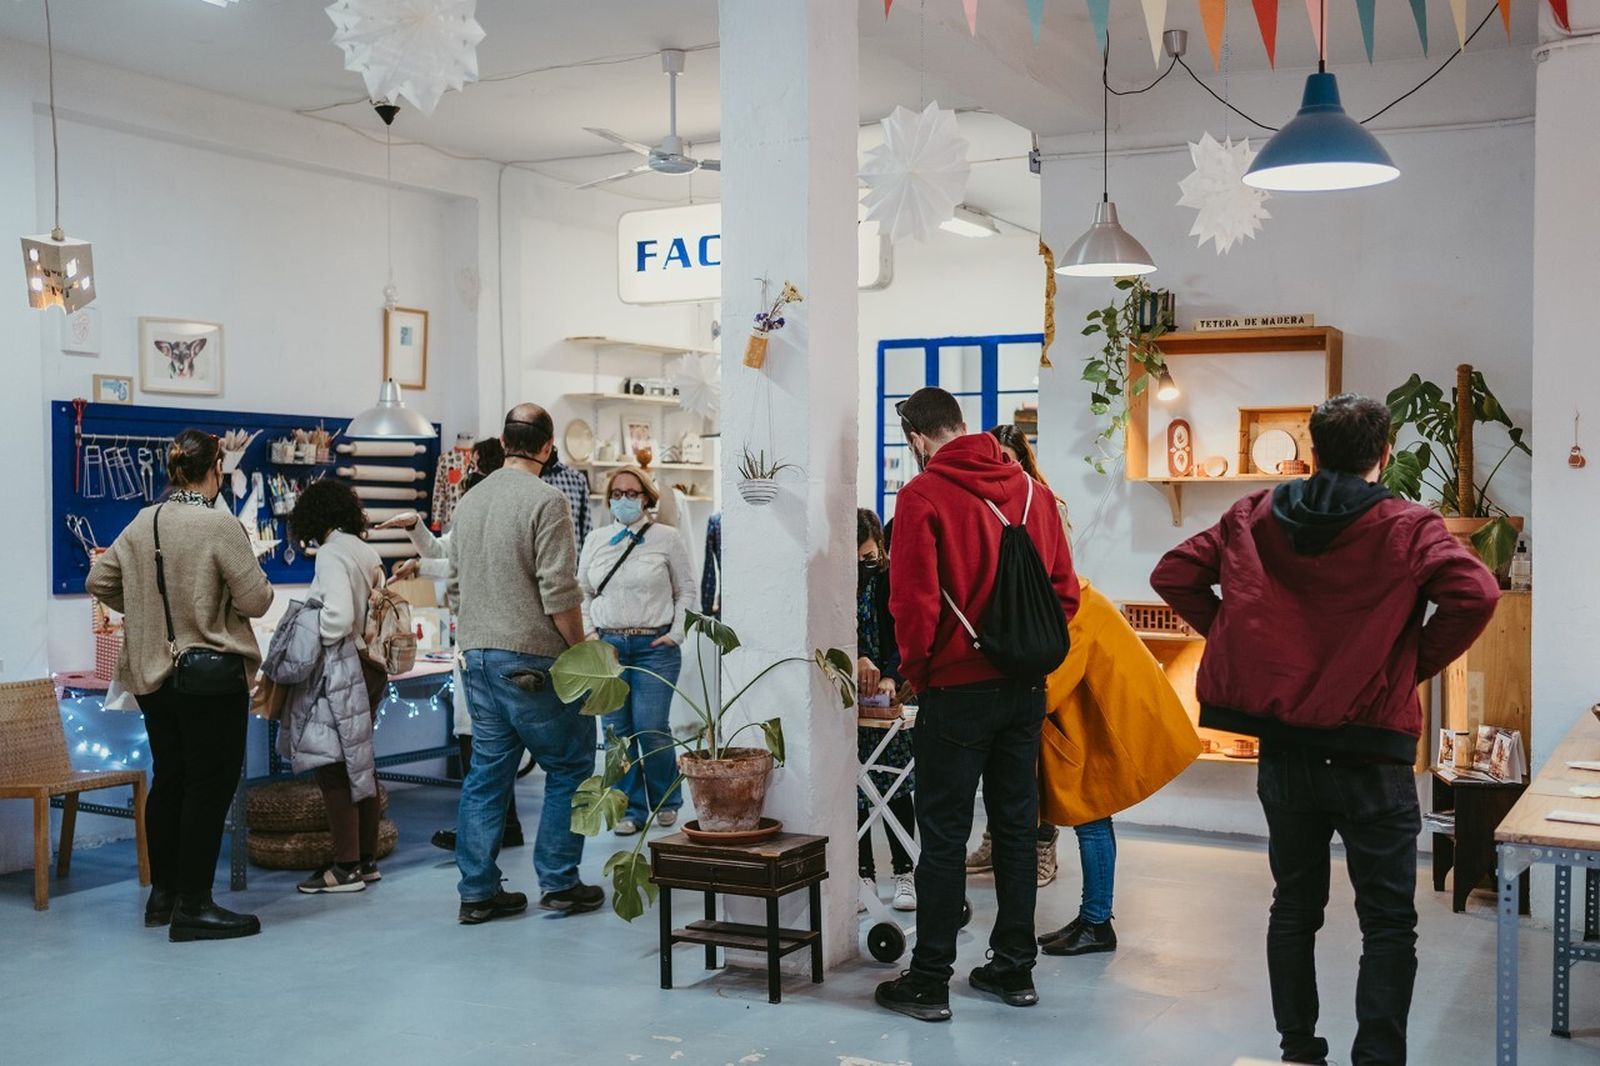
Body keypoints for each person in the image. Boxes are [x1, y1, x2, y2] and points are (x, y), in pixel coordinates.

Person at [1151, 393, 1500, 1066]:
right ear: (1386, 455)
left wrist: (1242, 640)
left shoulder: (1255, 513)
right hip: (1373, 753)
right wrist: (1406, 666)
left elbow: (1175, 574)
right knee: (1389, 922)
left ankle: (1299, 1051)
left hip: (1288, 752)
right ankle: (1377, 1058)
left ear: (1311, 454)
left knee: (1294, 907)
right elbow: (1477, 594)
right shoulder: (1408, 524)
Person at [877, 387, 1079, 1022]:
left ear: (916, 439)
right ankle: (1014, 971)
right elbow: (1064, 594)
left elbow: (913, 605)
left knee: (942, 836)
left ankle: (930, 979)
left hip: (956, 692)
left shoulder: (922, 496)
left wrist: (918, 673)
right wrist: (1022, 651)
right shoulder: (1032, 492)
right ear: (961, 426)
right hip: (1025, 689)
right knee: (1017, 830)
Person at [86, 429, 272, 941]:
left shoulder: (144, 521)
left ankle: (163, 896)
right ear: (215, 468)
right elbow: (257, 601)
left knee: (169, 778)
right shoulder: (220, 524)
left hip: (152, 676)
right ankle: (195, 903)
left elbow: (98, 583)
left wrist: (145, 611)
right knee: (208, 788)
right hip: (210, 678)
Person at [449, 404, 603, 923]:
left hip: (476, 657)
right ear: (547, 447)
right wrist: (581, 651)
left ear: (503, 440)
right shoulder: (549, 500)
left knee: (487, 774)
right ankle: (560, 882)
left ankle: (477, 893)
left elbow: (454, 585)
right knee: (571, 765)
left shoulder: (469, 502)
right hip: (532, 660)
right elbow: (559, 591)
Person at [1033, 582, 1200, 957]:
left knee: (1092, 821)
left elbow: (1049, 687)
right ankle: (1093, 917)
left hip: (1113, 725)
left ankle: (1096, 922)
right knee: (1093, 820)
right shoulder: (1075, 596)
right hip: (1101, 723)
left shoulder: (1075, 609)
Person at [382, 438, 525, 852]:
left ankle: (487, 829)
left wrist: (423, 559)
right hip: (480, 633)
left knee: (479, 733)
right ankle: (499, 824)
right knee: (480, 733)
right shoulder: (476, 504)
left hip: (487, 635)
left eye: (473, 464)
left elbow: (457, 560)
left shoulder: (490, 504)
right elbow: (449, 552)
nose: (466, 471)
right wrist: (416, 532)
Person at [966, 425, 1071, 888]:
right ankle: (996, 837)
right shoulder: (980, 505)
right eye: (997, 456)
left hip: (1038, 642)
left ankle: (1042, 843)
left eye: (1011, 457)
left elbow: (1063, 581)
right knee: (1003, 761)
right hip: (998, 643)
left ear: (1024, 461)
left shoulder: (1044, 503)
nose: (1003, 465)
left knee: (1037, 759)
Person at [577, 466, 695, 834]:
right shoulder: (596, 540)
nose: (623, 500)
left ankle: (666, 798)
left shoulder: (667, 538)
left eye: (631, 493)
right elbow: (582, 591)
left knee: (650, 727)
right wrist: (591, 634)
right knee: (615, 732)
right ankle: (629, 807)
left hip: (654, 645)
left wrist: (676, 633)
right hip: (608, 647)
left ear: (646, 497)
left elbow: (686, 590)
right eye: (617, 493)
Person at [283, 479, 385, 894]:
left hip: (342, 669)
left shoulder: (329, 552)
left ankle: (344, 868)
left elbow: (338, 618)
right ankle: (365, 859)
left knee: (332, 767)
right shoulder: (364, 549)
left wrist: (310, 632)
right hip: (370, 665)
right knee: (360, 763)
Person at [855, 508, 916, 912]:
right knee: (856, 790)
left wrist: (892, 675)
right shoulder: (837, 585)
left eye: (869, 557)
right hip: (853, 694)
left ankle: (905, 872)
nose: (864, 565)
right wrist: (858, 657)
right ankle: (861, 876)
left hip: (892, 695)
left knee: (895, 787)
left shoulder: (892, 580)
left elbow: (905, 633)